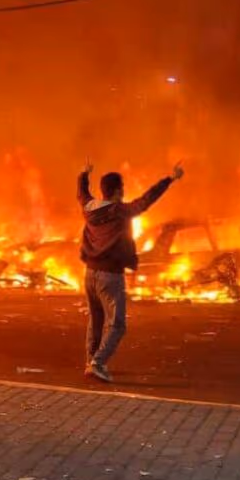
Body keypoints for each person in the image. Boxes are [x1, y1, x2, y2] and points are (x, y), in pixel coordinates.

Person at [77, 159, 184, 383]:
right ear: (117, 191)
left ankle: (91, 360)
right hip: (110, 276)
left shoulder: (89, 208)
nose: (124, 192)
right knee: (117, 324)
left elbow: (82, 192)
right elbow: (146, 201)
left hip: (89, 274)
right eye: (122, 189)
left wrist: (85, 173)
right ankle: (97, 363)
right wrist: (170, 179)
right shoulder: (119, 211)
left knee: (96, 320)